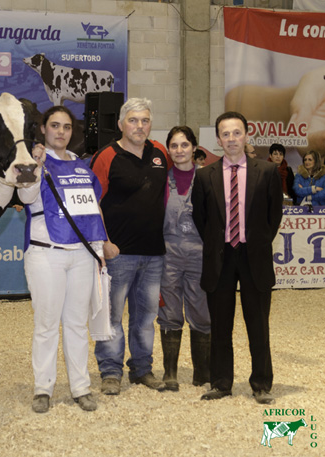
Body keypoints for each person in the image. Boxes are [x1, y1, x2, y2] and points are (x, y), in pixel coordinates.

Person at [18, 105, 114, 413]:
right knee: (46, 324)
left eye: (67, 127)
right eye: (55, 126)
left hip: (82, 255)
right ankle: (42, 388)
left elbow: (93, 208)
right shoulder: (33, 162)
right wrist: (34, 165)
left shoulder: (81, 164)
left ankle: (80, 387)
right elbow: (25, 198)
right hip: (46, 253)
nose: (61, 131)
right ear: (43, 129)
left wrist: (102, 245)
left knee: (76, 323)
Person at [191, 111, 283, 405]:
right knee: (220, 323)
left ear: (247, 135)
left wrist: (255, 242)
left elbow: (274, 216)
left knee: (258, 323)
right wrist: (219, 243)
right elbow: (200, 217)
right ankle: (221, 382)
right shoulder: (205, 175)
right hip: (220, 257)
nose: (231, 139)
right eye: (225, 134)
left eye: (237, 132)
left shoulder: (267, 172)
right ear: (218, 139)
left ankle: (261, 384)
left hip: (253, 255)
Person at [90, 97, 169, 395]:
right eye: (133, 120)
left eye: (145, 120)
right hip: (117, 254)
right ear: (122, 124)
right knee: (111, 316)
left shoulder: (160, 152)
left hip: (153, 254)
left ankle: (142, 369)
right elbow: (92, 202)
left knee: (146, 317)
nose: (139, 126)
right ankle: (110, 371)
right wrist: (105, 243)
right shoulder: (107, 156)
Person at [159, 126, 210, 392]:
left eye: (184, 145)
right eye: (174, 145)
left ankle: (203, 373)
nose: (179, 150)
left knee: (202, 311)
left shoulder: (208, 179)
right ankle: (170, 373)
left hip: (200, 253)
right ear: (168, 149)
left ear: (194, 147)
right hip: (168, 252)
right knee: (168, 309)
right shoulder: (159, 180)